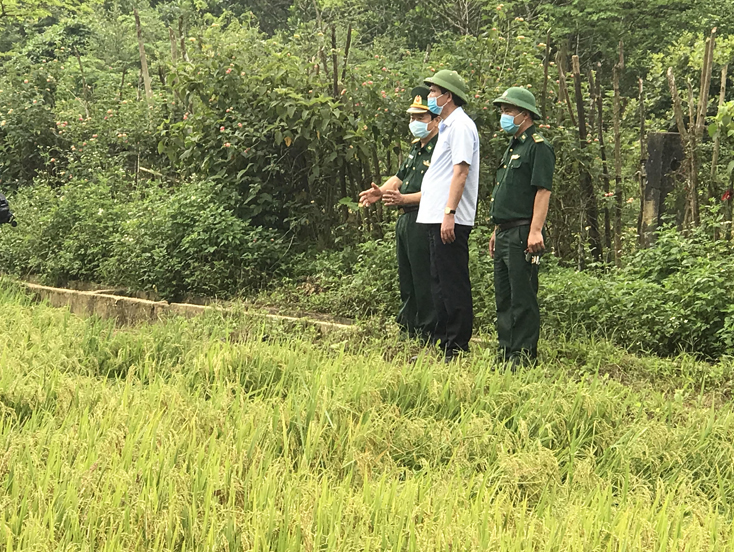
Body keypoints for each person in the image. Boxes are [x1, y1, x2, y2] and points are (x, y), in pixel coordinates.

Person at [359, 86, 439, 343]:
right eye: (412, 117)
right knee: (407, 277)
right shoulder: (417, 148)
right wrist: (380, 192)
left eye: (421, 118)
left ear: (435, 120)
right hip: (406, 219)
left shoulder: (440, 149)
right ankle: (409, 328)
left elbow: (439, 191)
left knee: (424, 278)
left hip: (425, 218)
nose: (414, 123)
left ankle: (428, 332)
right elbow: (400, 177)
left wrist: (404, 198)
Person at [415, 70, 480, 362]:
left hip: (449, 217)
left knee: (452, 282)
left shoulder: (462, 126)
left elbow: (461, 171)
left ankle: (456, 346)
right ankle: (442, 343)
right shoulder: (445, 126)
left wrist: (449, 213)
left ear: (447, 96)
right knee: (438, 282)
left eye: (433, 92)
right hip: (435, 216)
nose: (430, 97)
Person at [488, 87, 555, 368]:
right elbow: (505, 193)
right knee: (504, 296)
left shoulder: (538, 146)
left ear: (524, 114)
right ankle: (506, 351)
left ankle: (523, 355)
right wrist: (495, 230)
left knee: (522, 295)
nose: (503, 116)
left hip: (522, 231)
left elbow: (542, 191)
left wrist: (535, 231)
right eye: (502, 111)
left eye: (508, 111)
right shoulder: (513, 147)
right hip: (504, 231)